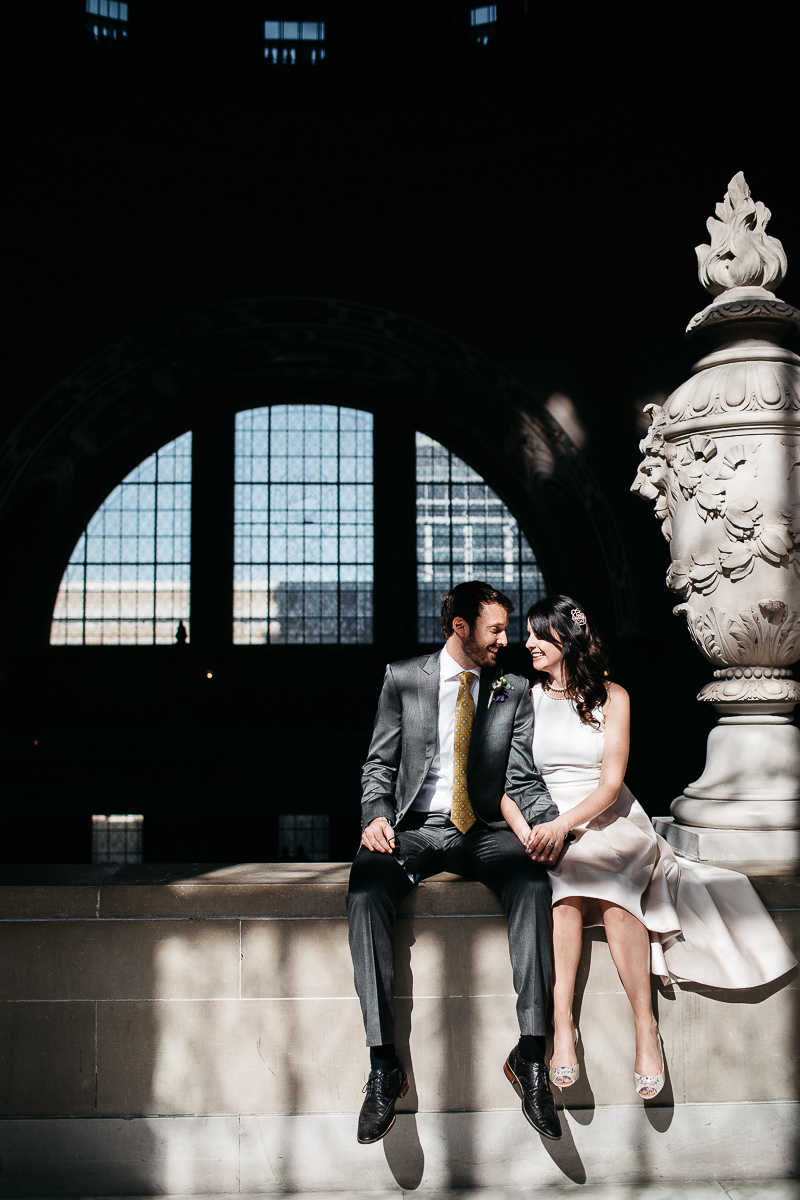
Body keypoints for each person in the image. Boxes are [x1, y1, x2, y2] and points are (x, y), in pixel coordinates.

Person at [501, 594, 798, 1100]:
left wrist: (566, 827)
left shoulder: (614, 698)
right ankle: (563, 1028)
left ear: (564, 638)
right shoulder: (521, 700)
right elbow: (505, 784)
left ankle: (645, 1027)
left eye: (535, 633)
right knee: (564, 895)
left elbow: (610, 784)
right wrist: (529, 830)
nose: (525, 643)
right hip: (543, 818)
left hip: (606, 817)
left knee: (617, 891)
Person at [347, 580, 562, 1144]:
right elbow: (379, 763)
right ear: (460, 628)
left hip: (482, 829)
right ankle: (382, 1063)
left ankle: (532, 1056)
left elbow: (521, 776)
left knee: (532, 887)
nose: (506, 640)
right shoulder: (403, 679)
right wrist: (375, 812)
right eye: (496, 629)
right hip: (413, 829)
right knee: (365, 895)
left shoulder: (511, 687)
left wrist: (554, 825)